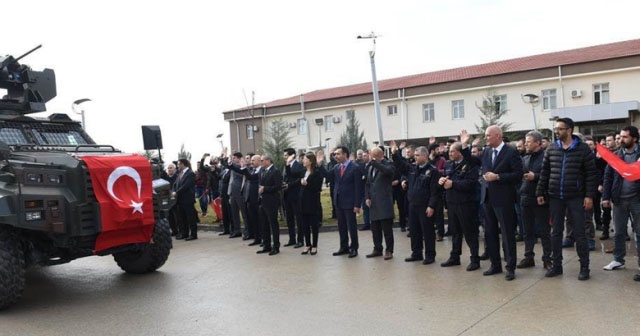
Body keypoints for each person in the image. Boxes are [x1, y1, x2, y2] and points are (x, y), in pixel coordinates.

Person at [536, 117, 597, 280]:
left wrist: (589, 195)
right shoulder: (551, 148)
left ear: (569, 130)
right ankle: (557, 266)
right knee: (556, 233)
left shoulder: (583, 149)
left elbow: (592, 174)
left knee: (579, 232)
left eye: (560, 129)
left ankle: (584, 268)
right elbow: (545, 172)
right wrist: (540, 192)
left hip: (576, 197)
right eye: (556, 129)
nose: (557, 131)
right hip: (555, 197)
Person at [480, 125, 523, 281]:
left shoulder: (511, 152)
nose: (486, 138)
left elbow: (518, 175)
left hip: (504, 199)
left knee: (507, 234)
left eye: (488, 135)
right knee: (490, 233)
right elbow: (481, 168)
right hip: (487, 198)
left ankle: (510, 267)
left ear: (498, 135)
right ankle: (495, 264)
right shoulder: (486, 151)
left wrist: (498, 177)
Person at [391, 142, 441, 265]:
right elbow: (401, 166)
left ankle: (430, 255)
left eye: (418, 155)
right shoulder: (413, 168)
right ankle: (416, 253)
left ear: (425, 156)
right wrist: (395, 154)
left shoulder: (432, 171)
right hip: (412, 204)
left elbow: (435, 192)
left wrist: (431, 206)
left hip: (425, 205)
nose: (415, 157)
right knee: (414, 230)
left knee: (427, 231)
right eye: (415, 155)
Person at [601, 126, 640, 280]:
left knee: (639, 232)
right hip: (619, 200)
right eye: (620, 136)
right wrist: (605, 197)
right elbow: (608, 177)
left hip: (637, 199)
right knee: (618, 232)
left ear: (634, 139)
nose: (621, 140)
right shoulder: (616, 155)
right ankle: (618, 260)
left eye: (625, 137)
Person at [438, 134, 481, 271]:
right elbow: (447, 178)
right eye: (449, 151)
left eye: (452, 151)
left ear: (460, 152)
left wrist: (453, 184)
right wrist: (443, 181)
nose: (450, 154)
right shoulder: (449, 164)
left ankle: (475, 259)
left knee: (470, 232)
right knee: (455, 232)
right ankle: (455, 256)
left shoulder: (470, 164)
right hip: (452, 202)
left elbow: (471, 183)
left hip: (466, 203)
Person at [517, 131, 552, 271]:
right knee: (527, 230)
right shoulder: (525, 158)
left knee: (544, 231)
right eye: (525, 141)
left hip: (541, 199)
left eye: (529, 141)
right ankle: (528, 257)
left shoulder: (546, 158)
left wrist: (535, 176)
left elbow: (549, 176)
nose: (526, 144)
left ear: (538, 143)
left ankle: (547, 259)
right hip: (525, 197)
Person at [331, 146, 363, 258]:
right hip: (339, 201)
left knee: (351, 226)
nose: (336, 156)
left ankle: (354, 248)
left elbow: (358, 188)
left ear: (345, 154)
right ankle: (343, 247)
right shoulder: (336, 167)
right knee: (341, 226)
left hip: (350, 202)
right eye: (335, 154)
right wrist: (320, 165)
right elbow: (328, 177)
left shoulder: (355, 168)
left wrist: (357, 204)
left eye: (338, 154)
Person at [364, 147, 396, 260]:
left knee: (386, 228)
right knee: (375, 228)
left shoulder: (388, 164)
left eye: (372, 155)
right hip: (373, 202)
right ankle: (377, 248)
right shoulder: (371, 167)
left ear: (378, 155)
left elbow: (388, 172)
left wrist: (374, 162)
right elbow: (368, 183)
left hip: (384, 201)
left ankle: (389, 250)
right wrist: (367, 197)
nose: (371, 157)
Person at [227, 154, 262, 246]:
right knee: (253, 219)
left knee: (260, 220)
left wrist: (243, 167)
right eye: (251, 160)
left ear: (259, 161)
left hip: (257, 198)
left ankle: (262, 238)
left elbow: (250, 177)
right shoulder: (251, 169)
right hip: (249, 197)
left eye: (253, 160)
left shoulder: (261, 170)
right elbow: (239, 170)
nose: (251, 162)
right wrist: (231, 164)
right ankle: (256, 238)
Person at [297, 152, 324, 255]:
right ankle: (307, 244)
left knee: (314, 225)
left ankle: (314, 245)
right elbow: (293, 175)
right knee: (305, 225)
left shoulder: (316, 173)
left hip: (312, 202)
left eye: (305, 159)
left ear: (310, 161)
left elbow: (317, 188)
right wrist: (288, 163)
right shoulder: (303, 171)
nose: (303, 161)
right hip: (303, 202)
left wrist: (307, 184)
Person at [257, 154, 283, 255]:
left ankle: (276, 246)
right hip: (263, 201)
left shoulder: (275, 171)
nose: (261, 162)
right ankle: (266, 245)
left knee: (273, 224)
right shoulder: (262, 171)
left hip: (272, 201)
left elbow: (278, 186)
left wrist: (265, 189)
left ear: (268, 161)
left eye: (262, 160)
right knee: (264, 224)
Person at [283, 148, 305, 248]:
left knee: (299, 218)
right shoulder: (286, 166)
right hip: (287, 195)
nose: (285, 157)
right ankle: (291, 239)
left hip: (296, 195)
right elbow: (285, 177)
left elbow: (299, 179)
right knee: (289, 218)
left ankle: (300, 240)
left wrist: (289, 185)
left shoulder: (299, 166)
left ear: (292, 156)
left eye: (286, 155)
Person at [172, 158, 198, 241]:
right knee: (182, 218)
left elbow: (186, 185)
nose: (177, 166)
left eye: (179, 164)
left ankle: (193, 234)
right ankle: (185, 233)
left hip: (187, 199)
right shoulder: (180, 173)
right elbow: (175, 184)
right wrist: (173, 191)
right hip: (180, 199)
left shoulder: (190, 173)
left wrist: (177, 192)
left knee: (190, 217)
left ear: (183, 164)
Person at [226, 152, 249, 238]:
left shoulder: (242, 167)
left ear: (239, 159)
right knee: (234, 213)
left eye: (234, 158)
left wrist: (230, 163)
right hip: (233, 193)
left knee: (244, 213)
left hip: (240, 192)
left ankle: (247, 231)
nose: (233, 159)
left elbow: (236, 168)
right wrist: (230, 193)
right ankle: (237, 230)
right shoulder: (234, 167)